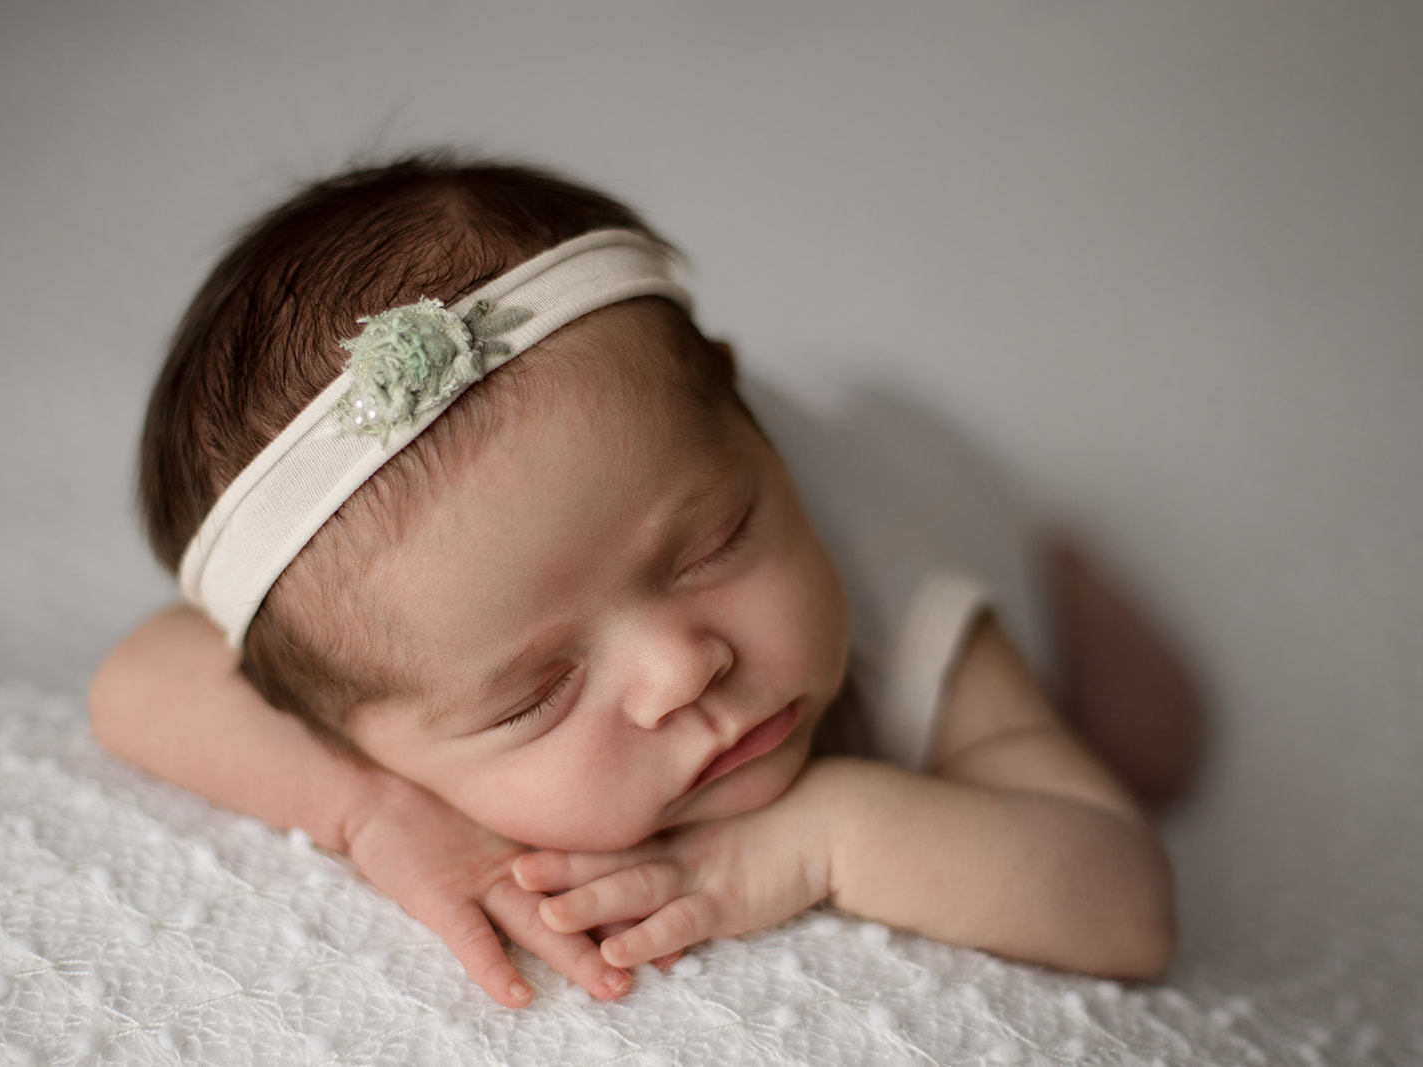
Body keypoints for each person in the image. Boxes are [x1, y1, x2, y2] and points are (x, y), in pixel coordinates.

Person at [90, 153, 1204, 1010]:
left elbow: (1124, 900)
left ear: (745, 419)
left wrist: (828, 836)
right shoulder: (382, 643)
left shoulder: (887, 597)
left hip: (938, 486)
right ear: (351, 726)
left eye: (716, 543)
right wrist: (368, 809)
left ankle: (1067, 558)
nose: (683, 666)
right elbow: (136, 680)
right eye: (536, 690)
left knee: (1154, 746)